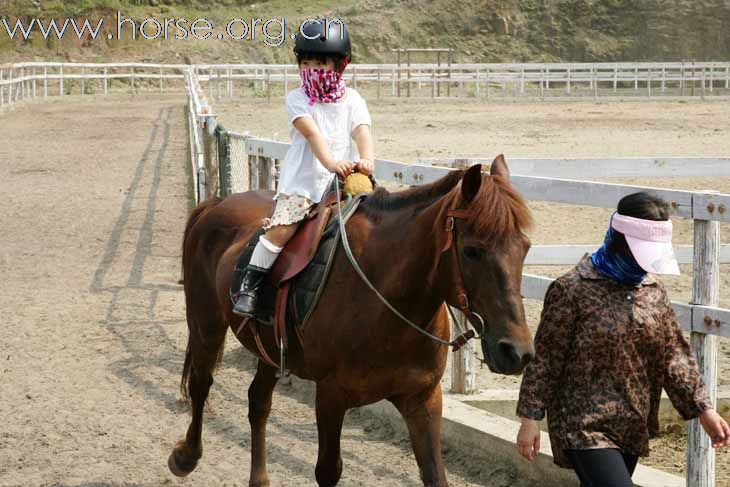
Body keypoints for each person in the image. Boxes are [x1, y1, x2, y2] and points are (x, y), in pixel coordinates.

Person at [515, 192, 730, 486]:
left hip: (631, 422)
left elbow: (673, 356)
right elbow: (546, 359)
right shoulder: (572, 290)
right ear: (620, 240)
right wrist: (530, 419)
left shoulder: (653, 292)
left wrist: (704, 409)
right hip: (583, 424)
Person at [233, 19, 374, 317]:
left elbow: (362, 131)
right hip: (304, 185)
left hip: (341, 183)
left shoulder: (354, 100)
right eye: (306, 62)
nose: (313, 69)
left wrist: (367, 158)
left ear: (340, 65)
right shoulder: (297, 98)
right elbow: (313, 135)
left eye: (321, 62)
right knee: (281, 232)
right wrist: (332, 163)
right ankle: (250, 285)